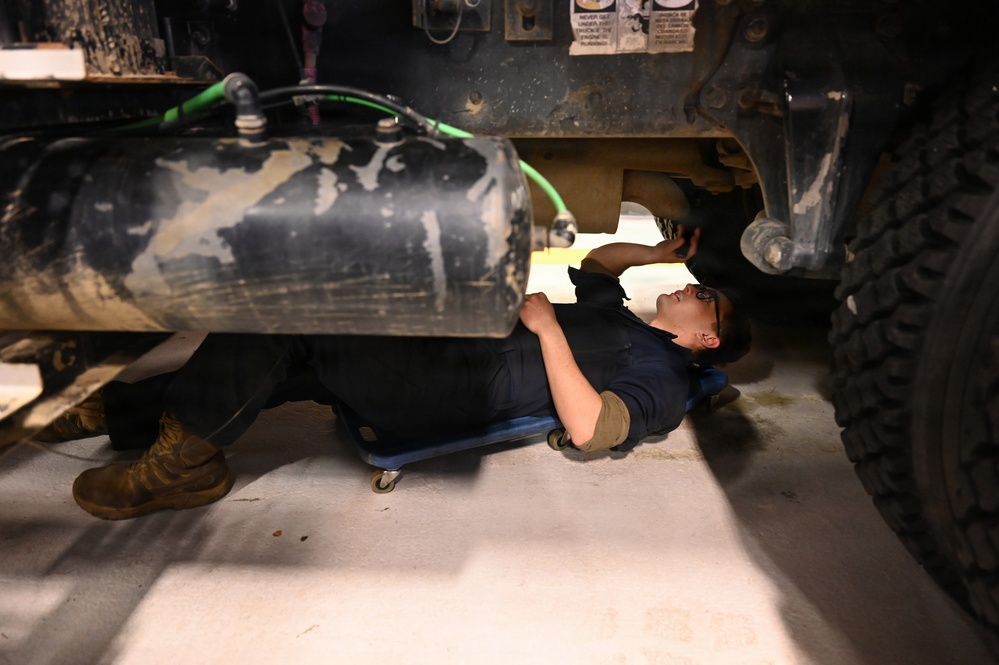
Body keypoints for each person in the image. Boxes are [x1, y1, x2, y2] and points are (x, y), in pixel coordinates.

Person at [42, 230, 751, 520]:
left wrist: (545, 330)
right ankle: (129, 414)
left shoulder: (660, 373)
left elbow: (592, 429)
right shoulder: (625, 321)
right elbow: (599, 266)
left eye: (703, 294)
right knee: (290, 354)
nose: (690, 285)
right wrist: (653, 247)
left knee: (294, 321)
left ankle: (181, 468)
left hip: (445, 392)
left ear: (705, 336)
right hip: (444, 352)